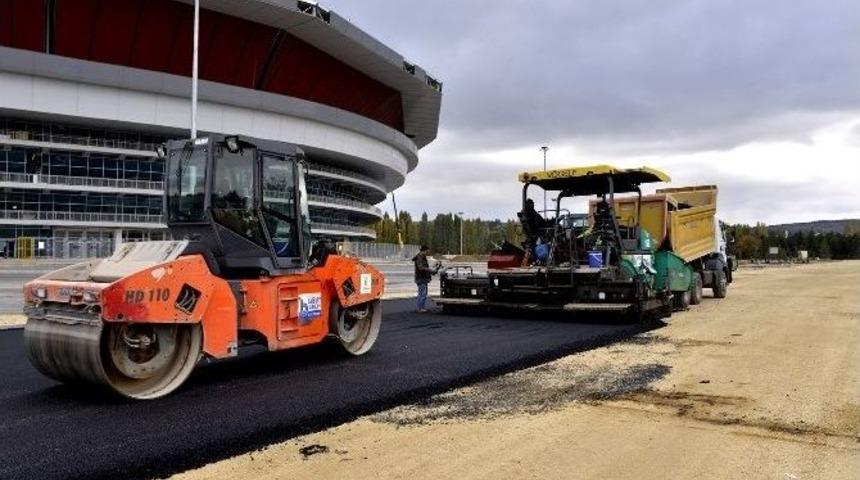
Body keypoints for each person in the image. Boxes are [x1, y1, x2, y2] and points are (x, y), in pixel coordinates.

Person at [412, 245, 439, 313]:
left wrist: (431, 271)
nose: (428, 252)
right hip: (421, 278)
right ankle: (420, 308)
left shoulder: (422, 257)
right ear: (424, 250)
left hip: (423, 277)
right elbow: (421, 268)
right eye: (427, 251)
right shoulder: (420, 257)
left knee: (423, 293)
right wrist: (430, 270)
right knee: (422, 294)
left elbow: (424, 268)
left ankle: (421, 307)